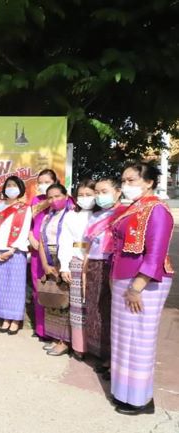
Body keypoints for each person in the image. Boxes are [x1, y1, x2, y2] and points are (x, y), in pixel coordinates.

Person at [110, 162, 174, 416]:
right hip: (124, 278)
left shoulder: (157, 209)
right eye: (124, 180)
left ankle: (140, 399)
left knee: (140, 341)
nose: (126, 185)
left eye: (132, 180)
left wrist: (136, 288)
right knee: (124, 339)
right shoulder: (132, 208)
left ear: (148, 182)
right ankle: (123, 392)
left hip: (144, 282)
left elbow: (156, 253)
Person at [82, 177, 124, 379]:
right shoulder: (95, 216)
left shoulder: (124, 214)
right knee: (94, 307)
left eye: (104, 191)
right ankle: (99, 352)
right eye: (97, 192)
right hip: (93, 264)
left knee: (109, 311)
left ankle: (112, 359)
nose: (99, 196)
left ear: (117, 192)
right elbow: (84, 243)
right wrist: (81, 260)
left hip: (113, 265)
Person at [0, 176, 32, 335]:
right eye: (8, 185)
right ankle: (5, 317)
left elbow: (24, 230)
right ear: (4, 189)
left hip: (16, 251)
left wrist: (12, 249)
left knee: (16, 286)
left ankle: (15, 319)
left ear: (20, 189)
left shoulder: (25, 208)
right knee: (2, 285)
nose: (11, 188)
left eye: (14, 185)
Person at [58, 179, 96, 359]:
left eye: (89, 195)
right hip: (75, 261)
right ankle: (79, 346)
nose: (84, 198)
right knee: (77, 306)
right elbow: (64, 240)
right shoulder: (71, 215)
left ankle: (97, 348)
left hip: (97, 263)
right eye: (81, 195)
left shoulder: (103, 215)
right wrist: (64, 265)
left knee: (95, 305)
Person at [38, 183, 73, 356]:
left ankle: (65, 341)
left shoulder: (73, 215)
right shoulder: (47, 216)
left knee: (65, 300)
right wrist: (45, 264)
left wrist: (62, 264)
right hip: (50, 260)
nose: (53, 200)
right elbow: (42, 242)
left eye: (57, 196)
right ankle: (55, 336)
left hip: (65, 259)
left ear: (66, 196)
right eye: (50, 197)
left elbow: (72, 242)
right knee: (53, 300)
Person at [29, 169, 58, 339]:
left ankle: (56, 330)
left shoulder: (64, 199)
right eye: (40, 182)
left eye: (47, 181)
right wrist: (30, 236)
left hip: (54, 250)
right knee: (38, 286)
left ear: (55, 181)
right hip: (35, 249)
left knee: (55, 288)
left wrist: (52, 198)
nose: (42, 185)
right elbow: (28, 221)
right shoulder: (36, 200)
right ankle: (41, 329)